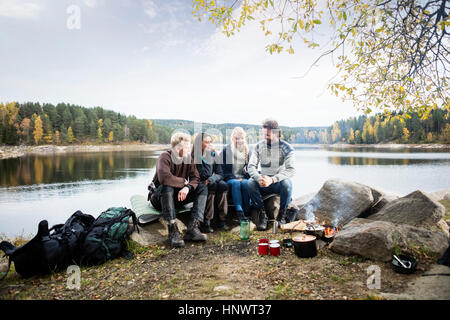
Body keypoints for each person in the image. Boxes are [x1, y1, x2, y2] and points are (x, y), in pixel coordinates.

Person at [149, 132, 208, 248]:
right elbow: (164, 178)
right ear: (177, 147)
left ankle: (193, 228)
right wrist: (183, 182)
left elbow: (195, 177)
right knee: (167, 187)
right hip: (159, 198)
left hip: (178, 197)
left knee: (202, 187)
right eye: (186, 146)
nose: (188, 148)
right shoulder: (164, 157)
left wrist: (188, 187)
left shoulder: (188, 158)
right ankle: (172, 230)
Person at [248, 119, 295, 231]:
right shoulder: (259, 146)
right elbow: (251, 166)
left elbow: (291, 170)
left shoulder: (287, 148)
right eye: (263, 134)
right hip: (263, 183)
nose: (265, 137)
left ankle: (281, 217)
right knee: (250, 182)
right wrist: (259, 178)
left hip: (277, 183)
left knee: (287, 183)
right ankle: (262, 216)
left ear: (276, 133)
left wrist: (272, 180)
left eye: (267, 135)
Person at [192, 132, 229, 233]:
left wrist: (212, 179)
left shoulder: (213, 154)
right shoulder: (194, 156)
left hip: (211, 181)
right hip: (199, 183)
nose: (209, 144)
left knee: (223, 185)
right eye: (206, 142)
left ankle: (222, 220)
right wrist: (208, 180)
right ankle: (207, 221)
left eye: (210, 142)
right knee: (209, 186)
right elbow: (199, 175)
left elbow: (220, 173)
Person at [221, 127, 252, 221]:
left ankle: (247, 211)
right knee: (235, 183)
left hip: (243, 179)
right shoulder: (226, 150)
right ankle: (239, 212)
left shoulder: (248, 151)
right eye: (237, 138)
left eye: (242, 138)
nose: (240, 140)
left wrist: (245, 176)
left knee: (246, 183)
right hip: (229, 178)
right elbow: (223, 171)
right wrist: (234, 178)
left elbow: (251, 170)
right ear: (232, 139)